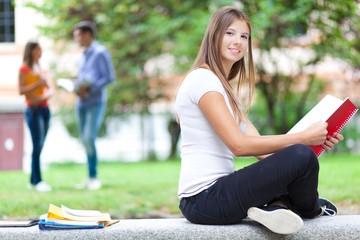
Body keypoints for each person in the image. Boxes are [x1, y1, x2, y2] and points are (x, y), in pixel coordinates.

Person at [175, 6, 344, 235]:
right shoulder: (203, 80)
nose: (238, 41)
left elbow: (264, 153)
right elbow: (238, 145)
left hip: (216, 196)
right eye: (230, 33)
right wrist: (301, 141)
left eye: (244, 36)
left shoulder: (224, 89)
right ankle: (310, 208)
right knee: (301, 155)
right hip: (204, 199)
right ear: (213, 35)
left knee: (300, 158)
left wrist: (313, 142)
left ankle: (278, 207)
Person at [73, 21, 115, 190]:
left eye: (78, 35)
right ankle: (89, 177)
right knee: (84, 140)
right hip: (81, 102)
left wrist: (89, 89)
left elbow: (109, 77)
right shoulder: (83, 55)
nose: (76, 39)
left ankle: (94, 176)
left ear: (88, 34)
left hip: (95, 102)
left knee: (89, 138)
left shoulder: (101, 53)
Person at [18, 40, 53, 192]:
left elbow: (51, 88)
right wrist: (38, 86)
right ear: (31, 51)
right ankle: (37, 180)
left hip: (45, 109)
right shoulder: (24, 69)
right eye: (38, 49)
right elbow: (21, 91)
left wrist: (43, 95)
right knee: (37, 144)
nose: (41, 52)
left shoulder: (42, 69)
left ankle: (33, 180)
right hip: (33, 110)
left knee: (40, 145)